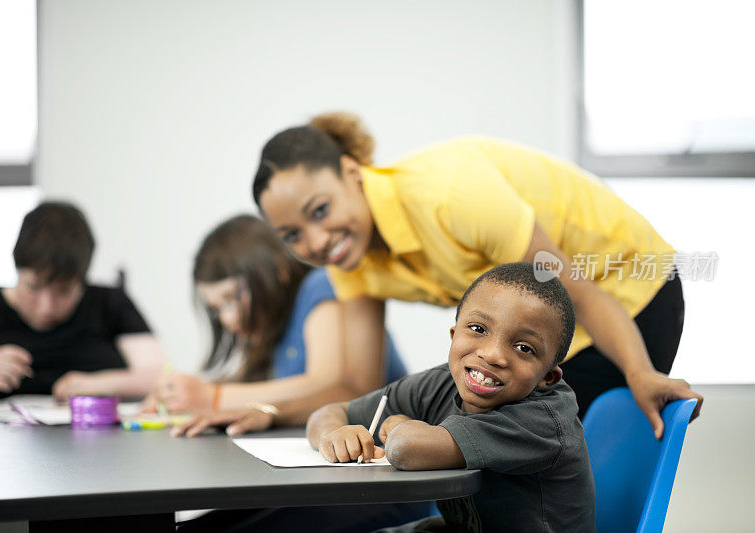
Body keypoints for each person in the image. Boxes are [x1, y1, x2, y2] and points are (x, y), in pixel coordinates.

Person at [252, 112, 703, 438]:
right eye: (292, 235)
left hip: (624, 290)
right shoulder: (349, 261)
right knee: (489, 443)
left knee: (521, 450)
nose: (315, 240)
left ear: (351, 172)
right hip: (542, 323)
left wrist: (640, 372)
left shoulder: (451, 195)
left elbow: (579, 292)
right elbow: (360, 386)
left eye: (320, 211)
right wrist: (269, 411)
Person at [308, 263, 596, 533]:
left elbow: (405, 449)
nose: (492, 355)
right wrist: (334, 437)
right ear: (453, 333)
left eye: (523, 348)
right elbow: (327, 413)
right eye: (478, 329)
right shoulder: (444, 381)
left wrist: (397, 424)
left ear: (548, 376)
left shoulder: (543, 419)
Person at [152, 215, 407, 437]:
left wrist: (213, 397)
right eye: (217, 310)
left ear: (277, 271)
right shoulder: (272, 329)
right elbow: (259, 389)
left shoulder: (321, 284)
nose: (228, 320)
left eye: (231, 299)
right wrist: (180, 395)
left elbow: (328, 381)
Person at [0, 201, 166, 401]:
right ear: (17, 268)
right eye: (33, 286)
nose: (46, 308)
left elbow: (161, 378)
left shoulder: (109, 302)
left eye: (64, 291)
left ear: (82, 280)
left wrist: (101, 383)